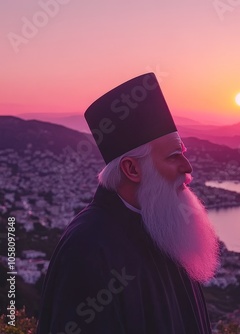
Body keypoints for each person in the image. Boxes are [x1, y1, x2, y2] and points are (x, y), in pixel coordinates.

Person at [37, 73, 219, 333]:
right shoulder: (88, 248)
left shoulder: (166, 230)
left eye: (184, 154)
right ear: (132, 169)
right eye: (173, 157)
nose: (188, 168)